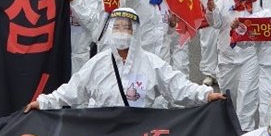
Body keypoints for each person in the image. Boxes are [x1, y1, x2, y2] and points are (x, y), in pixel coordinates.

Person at [25, 8, 225, 110]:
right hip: (105, 135)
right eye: (117, 27)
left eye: (126, 27)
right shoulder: (97, 63)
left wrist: (206, 95)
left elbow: (177, 86)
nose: (121, 32)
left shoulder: (151, 63)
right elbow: (71, 91)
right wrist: (43, 103)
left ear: (135, 32)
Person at [205, 0, 260, 131]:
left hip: (250, 56)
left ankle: (245, 132)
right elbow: (216, 24)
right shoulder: (224, 0)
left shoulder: (262, 3)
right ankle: (227, 129)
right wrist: (211, 10)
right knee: (229, 95)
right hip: (227, 55)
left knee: (247, 96)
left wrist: (245, 30)